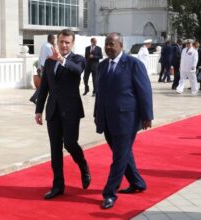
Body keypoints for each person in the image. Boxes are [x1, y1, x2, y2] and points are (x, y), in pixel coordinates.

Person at [94, 32, 153, 209]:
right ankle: (137, 183)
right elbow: (100, 94)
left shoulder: (134, 64)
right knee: (124, 154)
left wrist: (146, 115)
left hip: (126, 119)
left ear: (121, 45)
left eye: (112, 44)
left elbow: (144, 91)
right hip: (107, 118)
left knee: (119, 157)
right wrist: (98, 114)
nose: (108, 47)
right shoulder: (102, 65)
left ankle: (110, 193)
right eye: (106, 44)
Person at [35, 29, 91, 200]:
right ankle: (58, 185)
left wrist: (61, 59)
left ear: (72, 43)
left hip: (71, 110)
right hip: (53, 111)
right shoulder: (50, 62)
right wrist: (38, 109)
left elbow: (77, 71)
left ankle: (83, 166)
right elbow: (44, 87)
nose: (64, 45)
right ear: (56, 42)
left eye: (67, 42)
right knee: (55, 149)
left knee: (70, 143)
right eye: (61, 42)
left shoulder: (78, 59)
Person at [29, 34, 55, 104]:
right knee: (48, 83)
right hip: (48, 67)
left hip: (43, 66)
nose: (54, 40)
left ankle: (34, 97)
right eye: (54, 39)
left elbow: (40, 57)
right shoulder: (49, 46)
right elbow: (53, 56)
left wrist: (39, 67)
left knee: (46, 84)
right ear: (51, 39)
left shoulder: (44, 45)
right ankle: (35, 97)